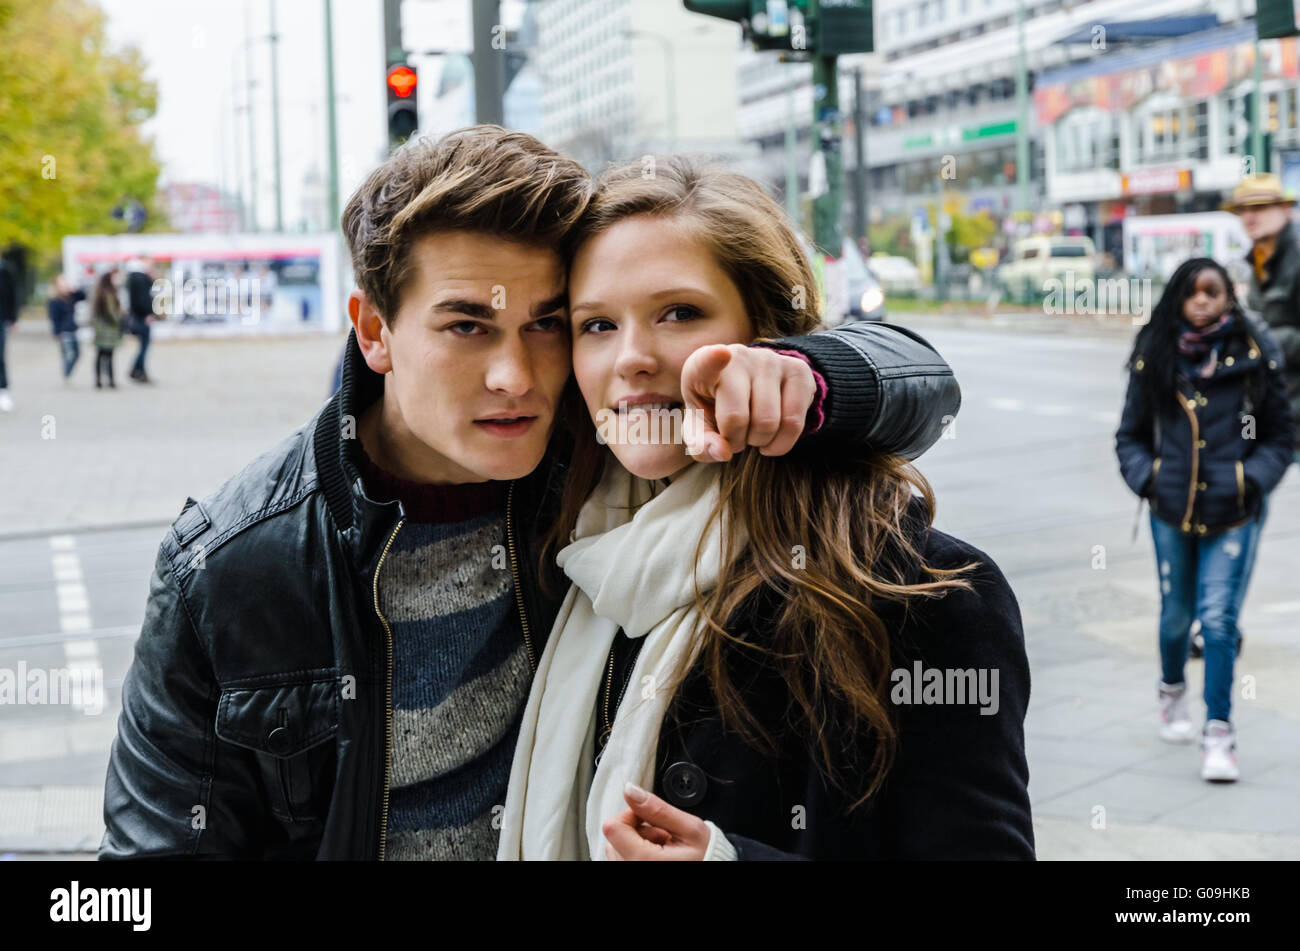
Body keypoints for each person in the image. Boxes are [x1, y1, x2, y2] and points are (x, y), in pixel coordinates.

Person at [98, 126, 965, 860]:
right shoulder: (236, 567)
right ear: (374, 330)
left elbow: (918, 375)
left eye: (549, 324)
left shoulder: (592, 467)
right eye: (467, 325)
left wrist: (809, 374)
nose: (516, 376)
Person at [498, 157, 1031, 861]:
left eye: (679, 313)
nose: (631, 358)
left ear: (767, 332)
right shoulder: (561, 545)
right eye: (596, 324)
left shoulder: (914, 588)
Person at [1115, 258, 1293, 783]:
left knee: (1217, 622)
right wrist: (1148, 478)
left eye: (1212, 292)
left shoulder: (1255, 355)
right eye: (1191, 293)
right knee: (1176, 617)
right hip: (1170, 510)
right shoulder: (1156, 354)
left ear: (1227, 296)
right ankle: (1171, 689)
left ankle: (1220, 732)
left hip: (1233, 512)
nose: (1201, 302)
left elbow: (1280, 436)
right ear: (1178, 298)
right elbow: (1129, 435)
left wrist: (1249, 479)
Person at [1225, 174, 1300, 464]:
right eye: (1243, 210)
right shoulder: (1257, 257)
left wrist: (1261, 341)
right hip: (1276, 412)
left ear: (1284, 210)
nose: (1249, 216)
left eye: (1259, 207)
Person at [48, 274, 87, 382]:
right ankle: (66, 373)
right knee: (68, 354)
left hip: (73, 329)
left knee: (77, 353)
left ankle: (67, 371)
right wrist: (56, 333)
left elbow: (83, 296)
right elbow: (54, 318)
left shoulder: (71, 297)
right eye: (62, 285)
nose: (64, 287)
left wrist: (74, 290)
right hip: (63, 332)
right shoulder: (54, 301)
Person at [91, 270, 124, 389]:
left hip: (101, 329)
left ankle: (98, 380)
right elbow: (112, 313)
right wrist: (120, 320)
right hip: (109, 329)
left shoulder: (99, 293)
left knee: (100, 355)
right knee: (109, 355)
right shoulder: (109, 294)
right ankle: (110, 380)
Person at [125, 259, 155, 383]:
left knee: (143, 346)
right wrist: (148, 313)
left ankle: (138, 370)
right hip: (142, 318)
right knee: (144, 346)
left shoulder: (132, 279)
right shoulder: (141, 279)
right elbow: (144, 301)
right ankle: (137, 370)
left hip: (136, 317)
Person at [0, 254, 18, 412]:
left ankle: (3, 390)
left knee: (0, 356)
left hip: (1, 319)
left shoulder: (5, 270)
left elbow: (12, 295)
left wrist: (13, 319)